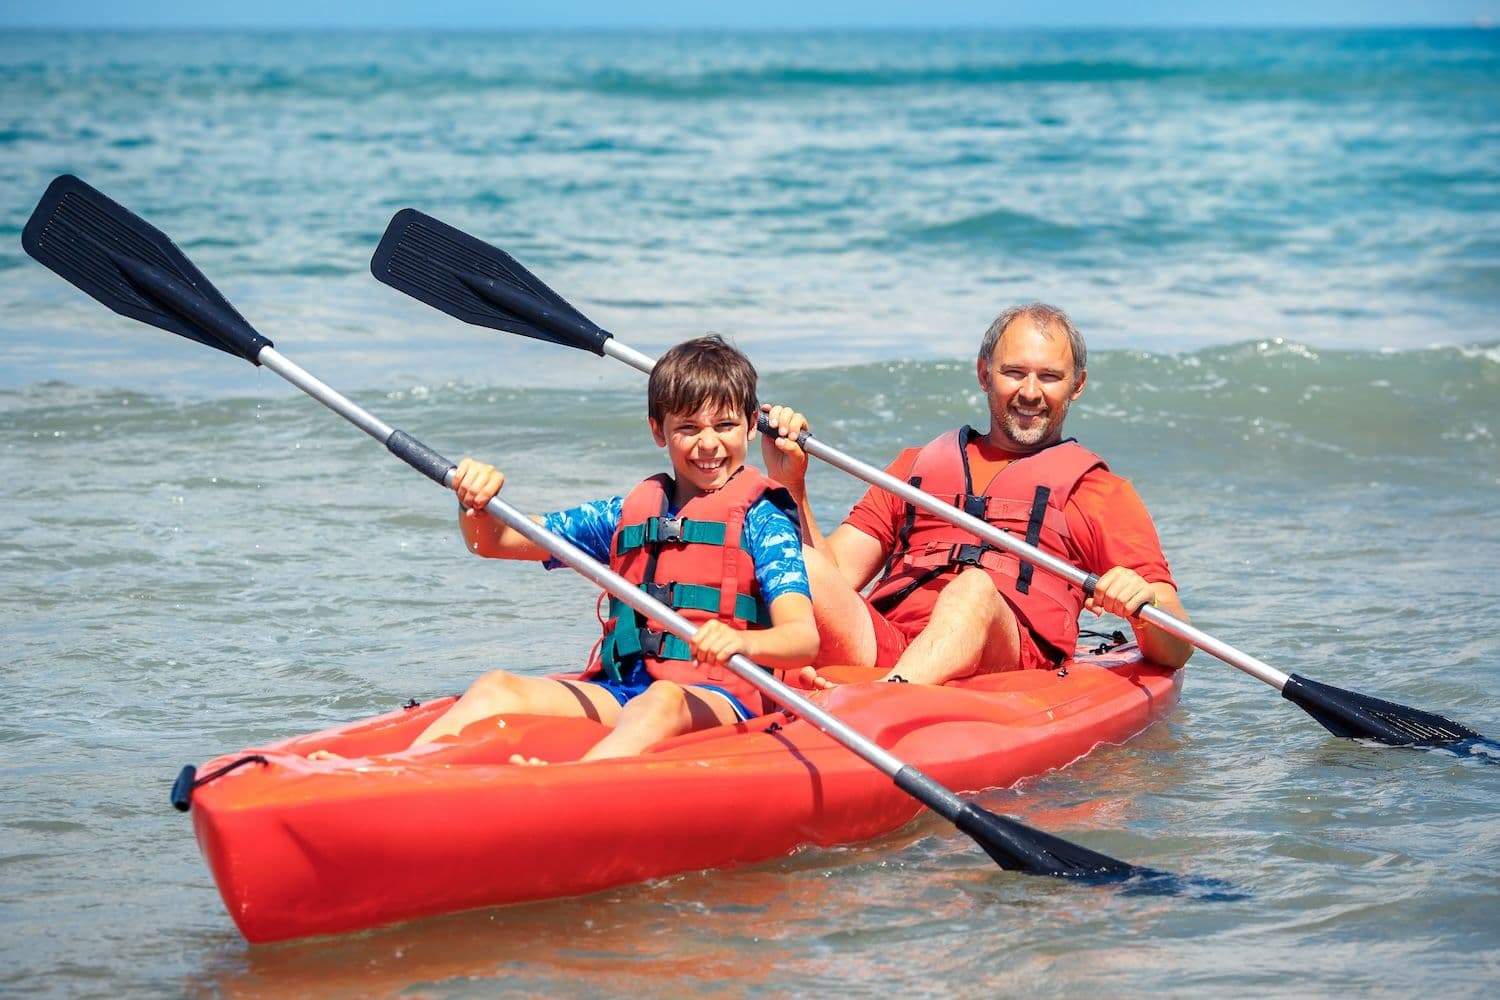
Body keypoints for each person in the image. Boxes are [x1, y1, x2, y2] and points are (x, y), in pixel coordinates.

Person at [410, 335, 818, 762]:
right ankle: (390, 773)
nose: (709, 444)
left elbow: (802, 638)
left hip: (722, 698)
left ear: (752, 425)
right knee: (497, 686)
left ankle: (564, 792)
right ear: (658, 430)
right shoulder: (626, 514)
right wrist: (474, 503)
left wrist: (742, 643)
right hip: (623, 689)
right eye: (688, 428)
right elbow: (494, 542)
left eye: (725, 426)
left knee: (661, 700)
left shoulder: (763, 519)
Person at [761, 303, 1192, 688]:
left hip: (1003, 659)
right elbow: (832, 574)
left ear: (1076, 385)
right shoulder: (915, 467)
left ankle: (886, 698)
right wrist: (790, 484)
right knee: (798, 563)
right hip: (888, 643)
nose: (1030, 392)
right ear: (984, 373)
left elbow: (1177, 647)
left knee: (974, 590)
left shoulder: (1096, 490)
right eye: (1014, 372)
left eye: (1049, 377)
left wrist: (1143, 601)